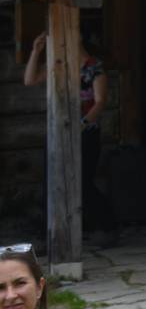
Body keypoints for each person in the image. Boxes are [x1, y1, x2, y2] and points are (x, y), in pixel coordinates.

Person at [23, 31, 118, 245]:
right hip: (57, 130)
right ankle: (52, 233)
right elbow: (30, 80)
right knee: (53, 180)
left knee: (82, 181)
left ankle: (106, 225)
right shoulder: (58, 62)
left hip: (86, 133)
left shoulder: (94, 67)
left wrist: (81, 125)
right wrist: (35, 51)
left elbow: (100, 101)